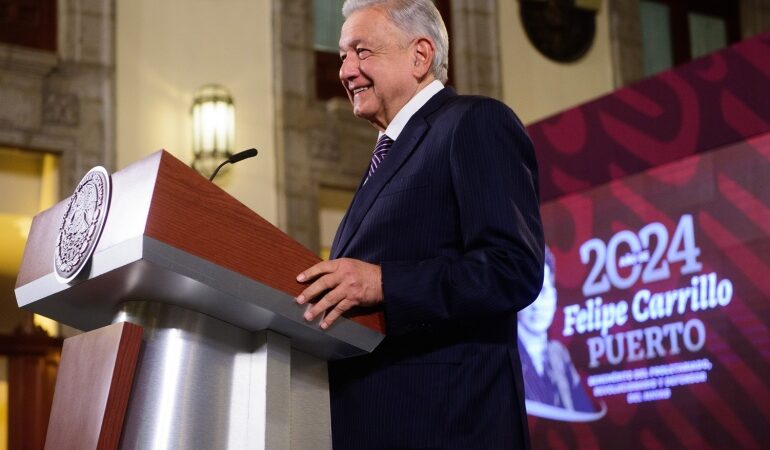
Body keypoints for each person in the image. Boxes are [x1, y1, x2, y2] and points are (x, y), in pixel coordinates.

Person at [295, 0, 544, 448]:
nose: (346, 71)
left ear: (420, 55)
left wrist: (384, 283)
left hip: (448, 424)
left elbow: (512, 269)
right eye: (342, 56)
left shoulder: (474, 122)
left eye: (362, 52)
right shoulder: (386, 155)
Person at [518, 246, 596, 417]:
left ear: (554, 296)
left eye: (544, 292)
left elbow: (584, 413)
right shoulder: (507, 355)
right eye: (530, 292)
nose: (537, 304)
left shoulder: (558, 353)